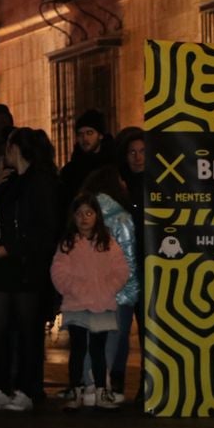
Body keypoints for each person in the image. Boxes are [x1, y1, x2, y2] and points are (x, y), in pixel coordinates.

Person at [0, 127, 61, 412]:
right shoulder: (10, 181)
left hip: (29, 265)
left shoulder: (42, 182)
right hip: (5, 265)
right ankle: (2, 386)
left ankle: (28, 388)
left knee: (28, 329)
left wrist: (13, 247)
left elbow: (44, 228)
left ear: (15, 148)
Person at [51, 192, 130, 410]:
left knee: (98, 350)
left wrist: (107, 288)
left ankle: (100, 390)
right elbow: (58, 272)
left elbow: (121, 270)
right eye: (79, 214)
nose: (84, 218)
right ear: (73, 217)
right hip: (76, 303)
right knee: (77, 349)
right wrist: (75, 288)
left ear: (97, 216)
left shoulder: (107, 242)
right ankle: (76, 390)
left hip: (101, 303)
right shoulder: (68, 243)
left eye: (89, 213)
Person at [79, 165, 141, 408]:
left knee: (90, 339)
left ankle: (89, 386)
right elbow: (129, 259)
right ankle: (102, 388)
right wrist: (131, 293)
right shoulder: (121, 218)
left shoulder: (83, 217)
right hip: (116, 290)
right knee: (112, 340)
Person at [113, 126, 146, 400]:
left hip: (148, 266)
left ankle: (147, 385)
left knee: (147, 328)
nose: (137, 157)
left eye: (142, 152)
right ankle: (116, 385)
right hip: (124, 269)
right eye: (132, 152)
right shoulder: (119, 189)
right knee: (120, 329)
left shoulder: (157, 185)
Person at [59, 108, 115, 211]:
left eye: (89, 133)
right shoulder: (70, 171)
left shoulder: (114, 164)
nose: (85, 138)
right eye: (80, 134)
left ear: (100, 135)